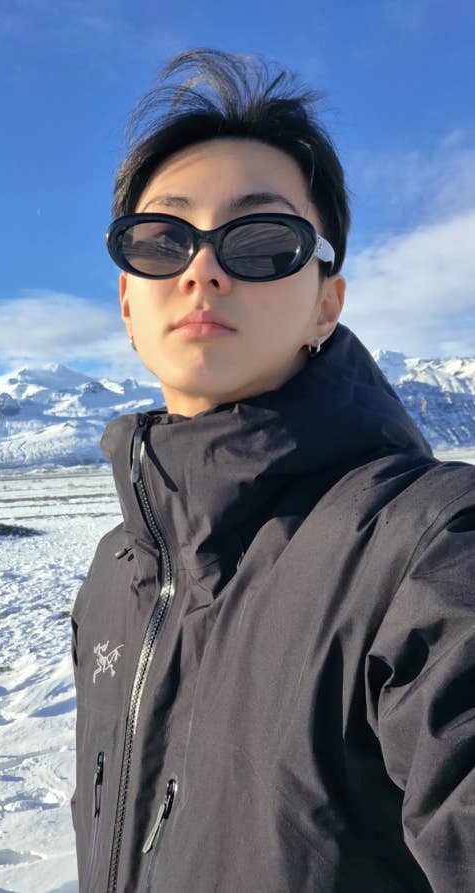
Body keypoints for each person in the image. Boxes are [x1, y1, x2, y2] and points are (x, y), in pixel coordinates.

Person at [69, 48, 475, 892]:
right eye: (162, 240)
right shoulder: (117, 571)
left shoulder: (428, 550)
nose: (202, 269)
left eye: (261, 241)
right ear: (127, 302)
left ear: (327, 301)